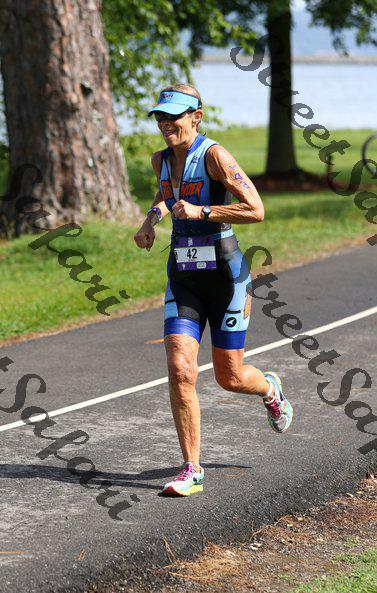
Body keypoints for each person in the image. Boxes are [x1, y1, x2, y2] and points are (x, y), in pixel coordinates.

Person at [134, 83, 293, 497]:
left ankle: (270, 388)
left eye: (174, 116)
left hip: (226, 278)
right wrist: (151, 220)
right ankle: (192, 469)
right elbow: (167, 196)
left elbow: (256, 209)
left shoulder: (215, 156)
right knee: (180, 368)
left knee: (230, 377)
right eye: (160, 116)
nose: (165, 123)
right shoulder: (160, 160)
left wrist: (203, 211)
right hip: (183, 278)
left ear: (196, 117)